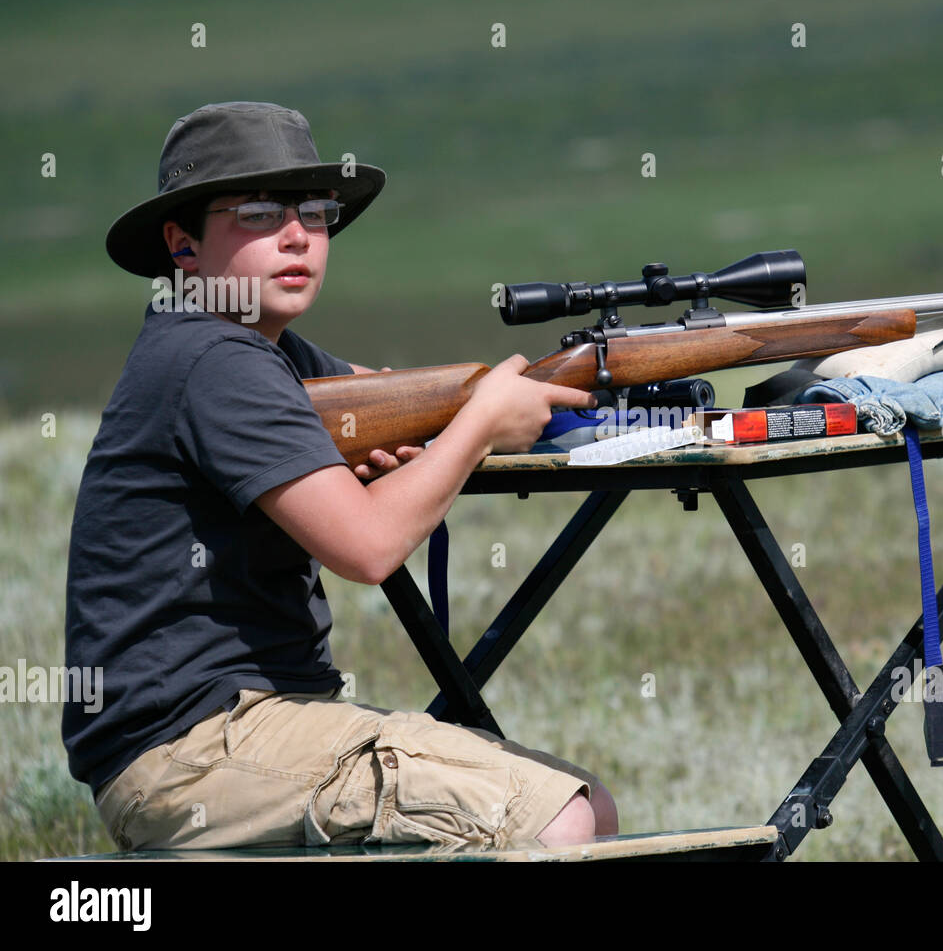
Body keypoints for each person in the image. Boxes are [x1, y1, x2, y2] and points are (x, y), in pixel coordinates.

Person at [63, 101, 617, 851]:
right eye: (259, 213)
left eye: (315, 213)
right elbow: (367, 549)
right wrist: (482, 423)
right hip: (190, 754)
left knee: (593, 809)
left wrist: (468, 416)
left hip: (242, 730)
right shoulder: (215, 360)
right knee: (559, 819)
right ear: (181, 243)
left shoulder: (260, 350)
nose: (298, 236)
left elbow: (395, 399)